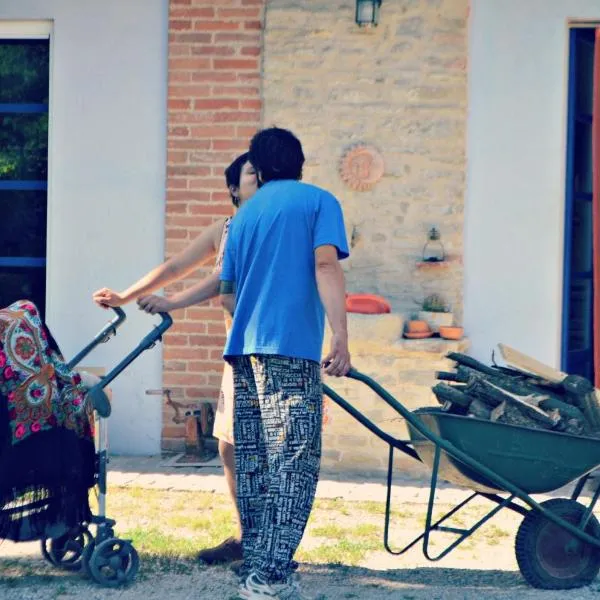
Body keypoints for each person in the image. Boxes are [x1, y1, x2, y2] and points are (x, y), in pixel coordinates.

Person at [92, 153, 258, 564]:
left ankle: (264, 542)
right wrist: (125, 297)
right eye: (253, 175)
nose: (263, 180)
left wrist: (173, 302)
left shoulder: (265, 228)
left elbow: (223, 283)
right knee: (229, 445)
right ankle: (247, 536)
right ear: (234, 189)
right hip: (236, 351)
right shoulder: (226, 228)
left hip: (267, 349)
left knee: (254, 447)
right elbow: (178, 265)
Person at [219, 127, 351, 600]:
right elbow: (325, 266)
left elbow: (228, 294)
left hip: (243, 351)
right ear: (299, 162)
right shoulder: (319, 201)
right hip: (289, 350)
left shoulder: (244, 214)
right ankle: (269, 577)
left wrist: (256, 321)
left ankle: (259, 563)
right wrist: (340, 334)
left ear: (261, 166)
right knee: (294, 460)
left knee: (256, 461)